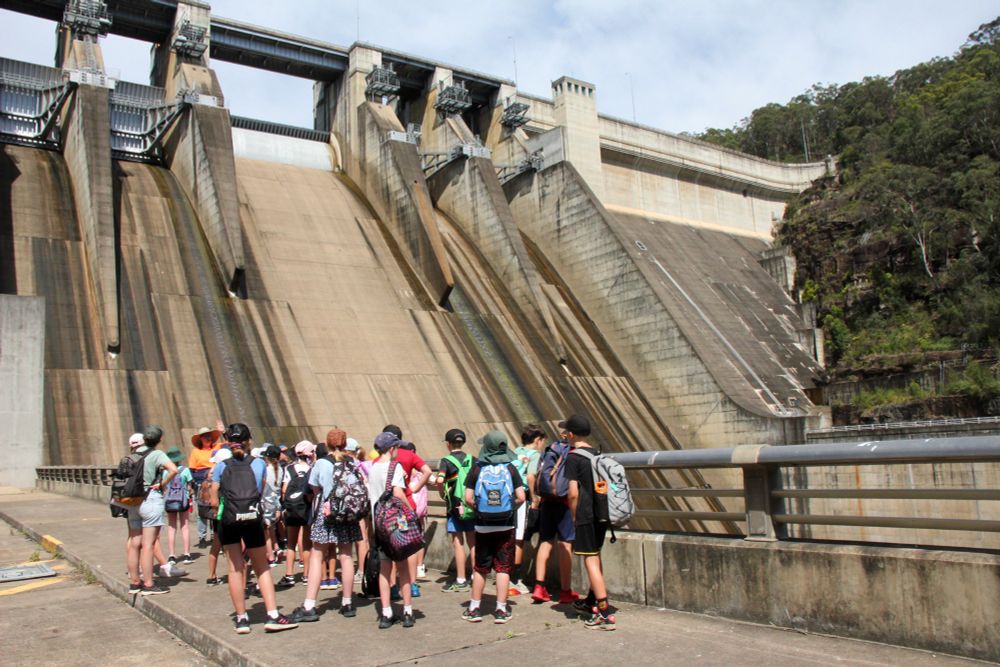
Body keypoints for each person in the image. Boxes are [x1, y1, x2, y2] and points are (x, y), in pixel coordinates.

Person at [210, 423, 297, 634]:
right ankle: (273, 615)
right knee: (262, 567)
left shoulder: (221, 466)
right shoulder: (259, 465)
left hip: (229, 521)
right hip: (252, 518)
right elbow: (259, 491)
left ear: (228, 442)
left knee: (234, 569)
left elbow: (213, 498)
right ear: (249, 441)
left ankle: (241, 619)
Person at [290, 428, 365, 622]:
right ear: (345, 443)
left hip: (328, 514)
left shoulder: (322, 463)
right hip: (348, 515)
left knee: (317, 555)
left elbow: (314, 489)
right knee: (347, 555)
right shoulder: (352, 463)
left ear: (327, 444)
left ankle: (309, 605)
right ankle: (347, 603)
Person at [462, 431, 525, 624]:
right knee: (503, 568)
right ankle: (500, 609)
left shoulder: (477, 468)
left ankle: (474, 608)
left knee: (481, 568)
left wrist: (480, 510)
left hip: (483, 526)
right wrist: (508, 509)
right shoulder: (511, 468)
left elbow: (468, 498)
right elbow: (522, 497)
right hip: (505, 525)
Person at [562, 414, 616, 630]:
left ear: (571, 434)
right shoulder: (598, 454)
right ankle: (592, 600)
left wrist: (574, 516)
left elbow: (573, 493)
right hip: (602, 514)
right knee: (596, 555)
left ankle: (604, 612)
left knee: (590, 560)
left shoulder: (574, 457)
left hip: (585, 514)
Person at [368, 431, 416, 629]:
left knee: (384, 569)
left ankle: (386, 612)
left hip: (378, 525)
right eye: (397, 447)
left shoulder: (372, 468)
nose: (399, 450)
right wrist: (411, 511)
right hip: (396, 524)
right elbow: (398, 493)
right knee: (403, 568)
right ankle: (407, 610)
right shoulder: (394, 467)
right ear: (391, 449)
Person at [127, 425, 182, 596]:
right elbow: (173, 470)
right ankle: (149, 584)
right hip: (150, 500)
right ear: (159, 440)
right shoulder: (157, 454)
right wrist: (162, 484)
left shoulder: (132, 454)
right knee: (148, 545)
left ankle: (135, 583)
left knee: (134, 544)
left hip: (132, 501)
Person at [532, 428, 578, 605]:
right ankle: (565, 591)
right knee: (565, 544)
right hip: (565, 503)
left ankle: (539, 587)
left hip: (546, 501)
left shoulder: (550, 448)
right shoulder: (573, 452)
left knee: (545, 541)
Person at [436, 428, 476, 593]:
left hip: (455, 508)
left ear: (448, 444)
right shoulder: (473, 459)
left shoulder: (446, 460)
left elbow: (439, 480)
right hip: (471, 506)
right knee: (473, 543)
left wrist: (443, 495)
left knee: (458, 544)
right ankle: (476, 575)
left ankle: (460, 579)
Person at [508, 424, 545, 595]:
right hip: (522, 497)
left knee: (511, 535)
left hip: (509, 497)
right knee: (519, 538)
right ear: (537, 440)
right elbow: (531, 476)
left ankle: (507, 576)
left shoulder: (515, 451)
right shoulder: (535, 455)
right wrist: (535, 496)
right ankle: (514, 580)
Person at [279, 441, 315, 587]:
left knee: (291, 544)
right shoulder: (311, 469)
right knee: (306, 544)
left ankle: (289, 575)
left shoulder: (289, 468)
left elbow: (284, 490)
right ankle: (306, 575)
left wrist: (286, 503)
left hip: (292, 509)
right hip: (306, 508)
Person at [189, 424, 223, 547]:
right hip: (201, 481)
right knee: (202, 511)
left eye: (209, 436)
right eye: (205, 437)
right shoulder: (196, 451)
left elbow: (229, 446)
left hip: (216, 480)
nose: (208, 438)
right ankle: (202, 537)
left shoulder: (217, 447)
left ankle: (216, 536)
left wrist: (222, 432)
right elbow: (192, 470)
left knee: (215, 508)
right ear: (200, 439)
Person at [204, 447, 231, 586]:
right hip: (227, 511)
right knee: (230, 546)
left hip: (216, 513)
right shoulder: (227, 472)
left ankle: (211, 576)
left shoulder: (212, 472)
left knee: (216, 543)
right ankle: (234, 573)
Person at [164, 446, 194, 564]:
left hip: (170, 501)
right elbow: (189, 488)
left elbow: (165, 487)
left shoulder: (166, 471)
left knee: (171, 527)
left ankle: (172, 555)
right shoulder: (185, 470)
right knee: (184, 526)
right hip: (183, 501)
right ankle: (187, 554)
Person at [261, 444, 285, 566]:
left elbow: (264, 488)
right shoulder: (280, 469)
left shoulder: (266, 470)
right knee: (270, 528)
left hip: (266, 502)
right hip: (275, 502)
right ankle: (277, 548)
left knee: (265, 530)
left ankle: (270, 556)